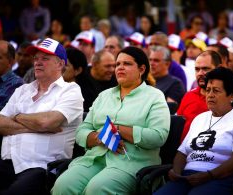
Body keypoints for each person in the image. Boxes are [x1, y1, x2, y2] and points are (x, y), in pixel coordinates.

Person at [51, 46, 170, 195]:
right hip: (94, 159)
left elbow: (158, 137)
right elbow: (81, 131)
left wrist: (119, 129)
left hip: (131, 163)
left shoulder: (154, 96)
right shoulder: (104, 96)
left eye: (126, 64)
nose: (120, 68)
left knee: (97, 189)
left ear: (141, 69)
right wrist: (101, 137)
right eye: (117, 64)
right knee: (63, 185)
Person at [0, 38, 83, 194]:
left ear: (60, 64)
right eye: (36, 58)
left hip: (42, 167)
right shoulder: (23, 90)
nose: (37, 62)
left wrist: (16, 116)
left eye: (45, 58)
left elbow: (47, 122)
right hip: (9, 162)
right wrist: (35, 126)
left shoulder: (71, 91)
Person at [155, 67, 233, 195]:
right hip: (187, 176)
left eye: (216, 91)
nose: (210, 95)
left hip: (222, 178)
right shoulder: (200, 119)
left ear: (231, 96)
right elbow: (182, 152)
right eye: (208, 90)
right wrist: (176, 172)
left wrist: (209, 175)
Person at [177, 50, 233, 142]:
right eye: (197, 69)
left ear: (218, 68)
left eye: (205, 69)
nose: (200, 73)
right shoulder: (188, 96)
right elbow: (177, 130)